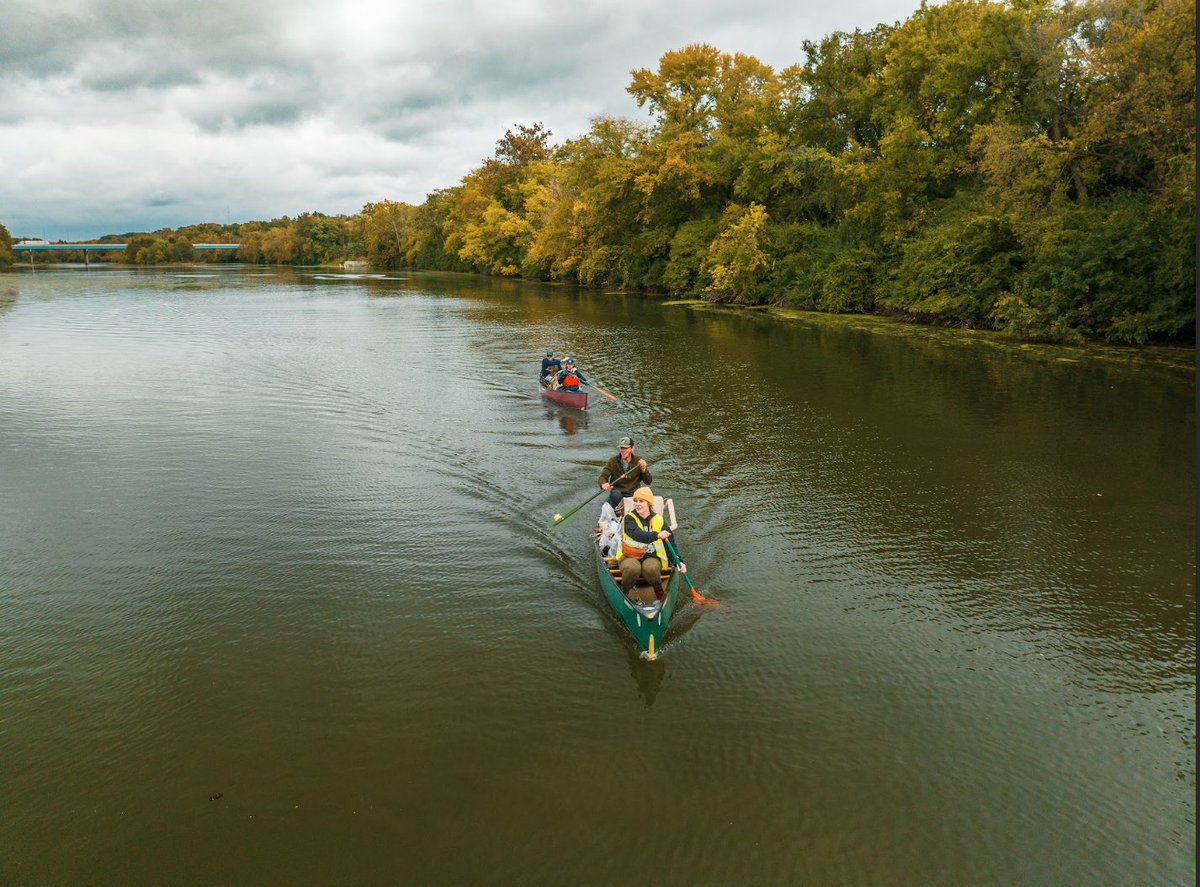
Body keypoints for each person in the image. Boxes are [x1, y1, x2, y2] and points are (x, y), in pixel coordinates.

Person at [619, 486, 674, 604]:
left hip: (651, 556)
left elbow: (671, 543)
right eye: (635, 501)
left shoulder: (659, 519)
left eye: (641, 501)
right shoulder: (629, 518)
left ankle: (659, 593)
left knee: (651, 568)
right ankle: (624, 593)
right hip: (630, 555)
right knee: (633, 568)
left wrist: (679, 561)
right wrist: (657, 535)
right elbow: (636, 534)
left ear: (648, 504)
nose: (637, 504)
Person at [599, 436, 651, 511]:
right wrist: (603, 483)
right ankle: (613, 514)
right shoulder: (612, 461)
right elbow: (603, 476)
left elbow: (648, 481)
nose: (623, 450)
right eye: (621, 448)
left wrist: (644, 470)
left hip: (633, 494)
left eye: (626, 448)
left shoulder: (639, 461)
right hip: (618, 494)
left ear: (632, 449)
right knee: (615, 495)